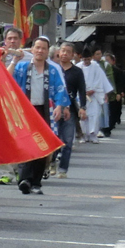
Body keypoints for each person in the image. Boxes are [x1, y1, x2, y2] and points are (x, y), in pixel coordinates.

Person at [12, 37, 69, 193]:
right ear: (32, 50)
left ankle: (36, 182)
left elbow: (59, 89)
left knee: (42, 146)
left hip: (45, 111)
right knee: (26, 145)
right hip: (26, 111)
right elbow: (9, 80)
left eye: (43, 48)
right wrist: (14, 61)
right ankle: (24, 179)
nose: (40, 51)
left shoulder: (52, 70)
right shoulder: (22, 67)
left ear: (47, 52)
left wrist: (59, 106)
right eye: (37, 47)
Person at [53, 44, 87, 178]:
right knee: (53, 138)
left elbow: (82, 90)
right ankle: (51, 163)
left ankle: (63, 169)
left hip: (71, 110)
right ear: (58, 53)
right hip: (54, 108)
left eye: (68, 52)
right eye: (62, 51)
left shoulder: (77, 72)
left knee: (67, 140)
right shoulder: (53, 69)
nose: (64, 54)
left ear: (73, 55)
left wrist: (82, 107)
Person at [78, 51, 113, 143]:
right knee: (83, 116)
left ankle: (93, 135)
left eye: (88, 59)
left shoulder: (96, 67)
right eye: (85, 59)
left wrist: (93, 89)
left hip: (94, 95)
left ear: (91, 58)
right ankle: (84, 135)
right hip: (82, 95)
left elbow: (99, 79)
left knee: (95, 115)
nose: (86, 61)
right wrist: (83, 90)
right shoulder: (78, 67)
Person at [101, 52, 118, 137]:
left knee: (110, 112)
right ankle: (102, 128)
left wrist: (115, 92)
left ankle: (108, 128)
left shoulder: (108, 67)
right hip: (98, 92)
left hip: (109, 92)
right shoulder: (96, 65)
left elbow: (112, 80)